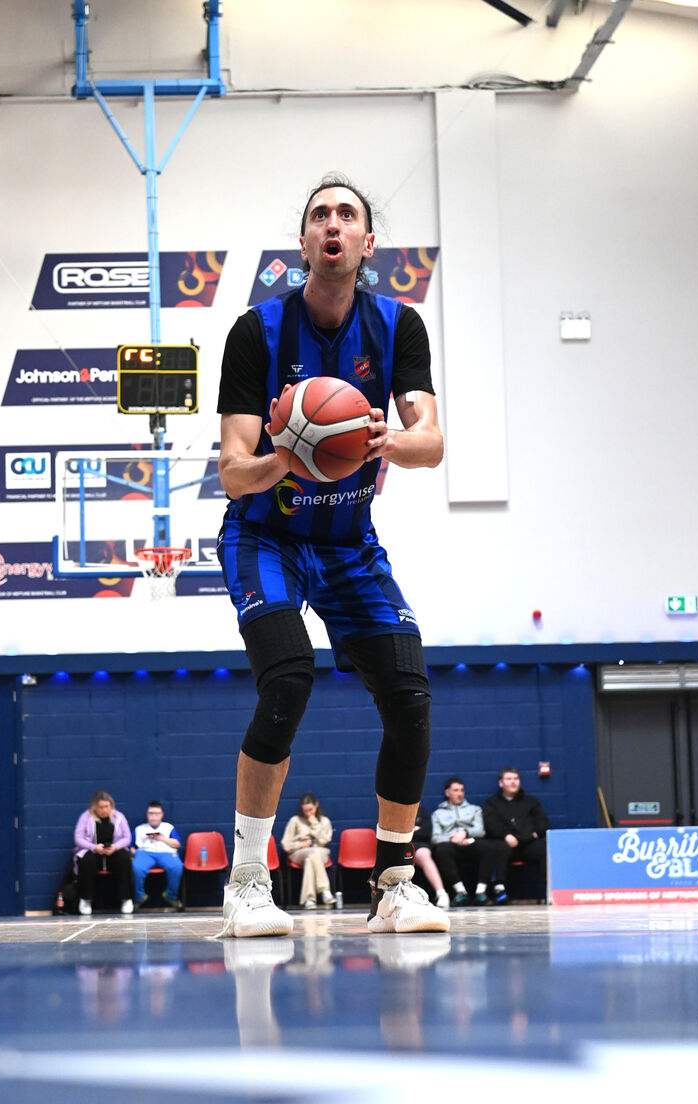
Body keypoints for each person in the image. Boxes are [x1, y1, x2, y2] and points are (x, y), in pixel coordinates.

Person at [216, 173, 449, 938]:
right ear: (305, 241)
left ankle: (392, 885)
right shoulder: (257, 333)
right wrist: (294, 451)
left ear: (367, 242)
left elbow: (431, 443)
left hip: (349, 540)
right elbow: (233, 469)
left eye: (348, 215)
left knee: (410, 697)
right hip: (266, 536)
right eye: (320, 215)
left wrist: (387, 439)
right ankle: (248, 882)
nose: (333, 225)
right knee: (287, 682)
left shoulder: (397, 327)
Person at [431, 776, 502, 907]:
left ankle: (481, 892)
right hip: (451, 845)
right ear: (447, 793)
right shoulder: (437, 813)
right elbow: (435, 837)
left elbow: (480, 830)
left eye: (462, 790)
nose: (459, 793)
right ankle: (460, 892)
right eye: (456, 790)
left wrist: (465, 833)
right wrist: (453, 838)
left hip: (471, 842)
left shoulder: (475, 809)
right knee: (441, 850)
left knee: (489, 846)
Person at [481, 767, 549, 903]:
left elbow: (543, 824)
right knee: (495, 847)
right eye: (509, 779)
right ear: (501, 783)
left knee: (544, 848)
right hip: (505, 846)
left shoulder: (531, 802)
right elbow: (491, 825)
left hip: (528, 845)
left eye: (516, 779)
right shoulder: (492, 803)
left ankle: (546, 892)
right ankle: (499, 890)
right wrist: (506, 835)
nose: (513, 782)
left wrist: (529, 835)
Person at [73, 790, 133, 915]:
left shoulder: (119, 817)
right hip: (94, 851)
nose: (104, 810)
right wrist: (94, 847)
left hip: (113, 852)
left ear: (111, 806)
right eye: (101, 807)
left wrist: (115, 847)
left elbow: (127, 838)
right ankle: (85, 899)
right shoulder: (86, 817)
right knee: (86, 860)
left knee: (124, 858)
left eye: (107, 806)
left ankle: (126, 899)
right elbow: (78, 838)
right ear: (95, 807)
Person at [281, 792, 335, 909]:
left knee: (311, 858)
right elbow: (286, 845)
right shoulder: (295, 820)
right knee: (312, 853)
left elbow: (324, 841)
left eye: (310, 809)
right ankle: (324, 890)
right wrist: (301, 844)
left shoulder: (324, 821)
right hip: (299, 852)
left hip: (320, 851)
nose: (308, 813)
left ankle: (309, 899)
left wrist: (314, 823)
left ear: (316, 805)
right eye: (305, 810)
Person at [132, 802, 184, 911]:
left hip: (166, 852)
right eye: (151, 813)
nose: (153, 816)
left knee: (177, 866)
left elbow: (177, 844)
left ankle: (171, 895)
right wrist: (134, 853)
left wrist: (161, 838)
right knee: (137, 867)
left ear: (162, 815)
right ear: (147, 814)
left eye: (156, 813)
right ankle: (139, 897)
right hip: (145, 853)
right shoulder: (139, 829)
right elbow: (131, 847)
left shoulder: (168, 827)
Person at [412, 803, 449, 909]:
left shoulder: (422, 811)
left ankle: (441, 893)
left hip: (419, 845)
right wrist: (415, 829)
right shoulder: (391, 810)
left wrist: (409, 831)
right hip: (398, 845)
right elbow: (393, 833)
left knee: (424, 854)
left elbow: (426, 832)